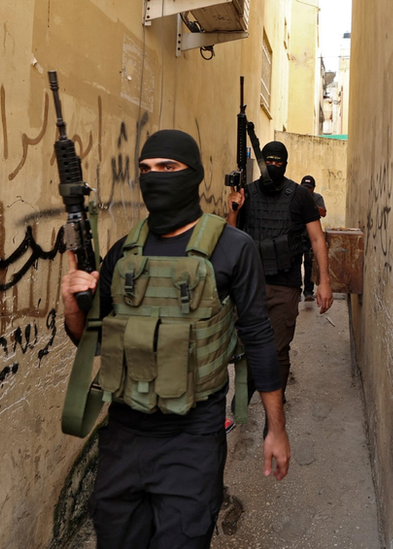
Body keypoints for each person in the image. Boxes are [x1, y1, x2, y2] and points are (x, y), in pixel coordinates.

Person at [61, 129, 290, 549]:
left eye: (167, 168)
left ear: (194, 176)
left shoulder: (233, 248)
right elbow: (92, 340)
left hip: (193, 436)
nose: (154, 177)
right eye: (146, 170)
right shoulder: (124, 252)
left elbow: (258, 337)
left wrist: (276, 428)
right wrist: (73, 305)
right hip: (124, 433)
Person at [227, 141, 333, 403]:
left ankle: (275, 399)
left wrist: (324, 282)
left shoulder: (299, 196)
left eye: (278, 162)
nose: (273, 166)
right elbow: (230, 237)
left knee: (278, 349)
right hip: (250, 285)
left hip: (285, 284)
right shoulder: (246, 193)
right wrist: (233, 209)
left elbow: (317, 239)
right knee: (249, 347)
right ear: (261, 162)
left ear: (285, 164)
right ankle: (247, 392)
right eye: (268, 162)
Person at [299, 175, 327, 301]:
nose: (307, 190)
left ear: (313, 189)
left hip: (311, 238)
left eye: (309, 188)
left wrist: (310, 204)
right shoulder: (297, 196)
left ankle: (308, 292)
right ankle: (296, 291)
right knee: (295, 263)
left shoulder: (317, 198)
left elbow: (323, 212)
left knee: (309, 265)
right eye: (305, 187)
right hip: (298, 236)